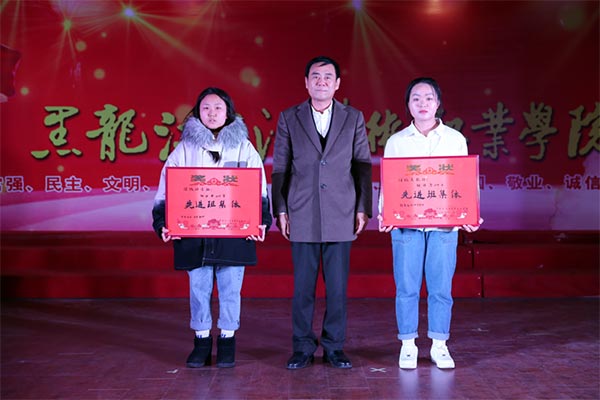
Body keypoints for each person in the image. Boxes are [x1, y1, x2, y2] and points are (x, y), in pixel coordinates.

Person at [151, 87, 272, 368]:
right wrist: (163, 223)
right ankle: (202, 341)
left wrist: (261, 220)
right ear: (197, 112)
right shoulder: (185, 148)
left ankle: (227, 340)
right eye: (206, 108)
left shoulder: (243, 147)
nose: (212, 113)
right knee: (198, 289)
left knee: (231, 290)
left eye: (218, 108)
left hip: (234, 233)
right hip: (196, 234)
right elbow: (167, 188)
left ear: (228, 112)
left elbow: (258, 187)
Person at [271, 56, 373, 369]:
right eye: (315, 76)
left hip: (342, 211)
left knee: (337, 288)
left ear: (337, 84)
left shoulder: (353, 117)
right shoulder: (289, 117)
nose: (321, 81)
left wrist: (362, 207)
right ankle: (302, 346)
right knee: (303, 288)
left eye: (328, 77)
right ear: (306, 82)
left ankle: (334, 347)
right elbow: (280, 166)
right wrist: (281, 208)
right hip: (301, 210)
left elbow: (362, 163)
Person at [378, 77, 483, 370]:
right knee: (406, 287)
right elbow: (389, 182)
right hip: (406, 225)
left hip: (444, 226)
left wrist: (471, 214)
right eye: (416, 98)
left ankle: (439, 344)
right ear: (408, 105)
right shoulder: (397, 141)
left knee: (440, 287)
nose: (422, 103)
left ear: (438, 103)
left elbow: (465, 179)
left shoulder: (455, 139)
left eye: (428, 98)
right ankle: (408, 344)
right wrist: (385, 214)